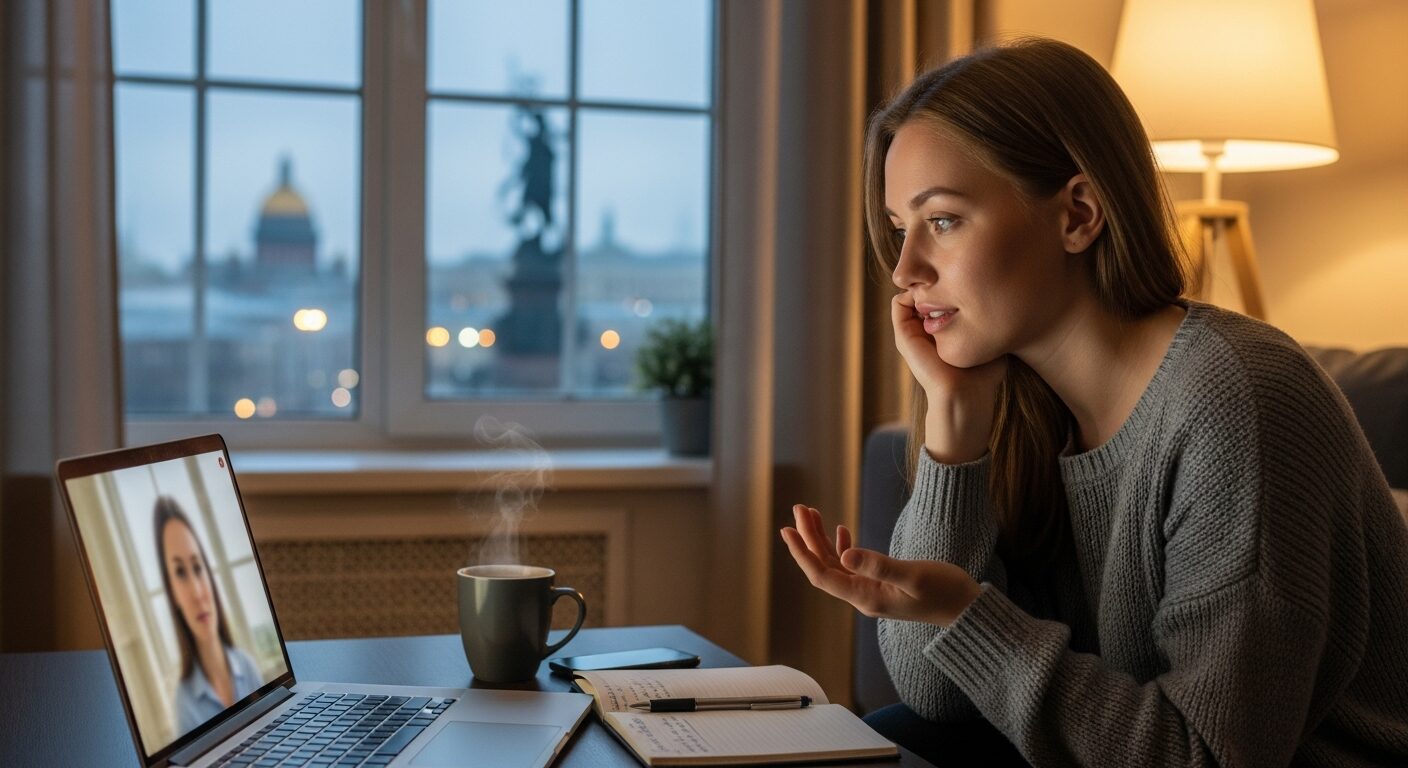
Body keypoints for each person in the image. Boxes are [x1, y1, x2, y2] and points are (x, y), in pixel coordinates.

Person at [781, 37, 1408, 767]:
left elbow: (1207, 757)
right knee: (899, 734)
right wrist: (953, 434)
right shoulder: (1020, 402)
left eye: (943, 221)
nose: (906, 271)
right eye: (899, 231)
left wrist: (964, 611)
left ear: (1078, 213)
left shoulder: (1238, 398)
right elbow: (935, 695)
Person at [154, 496, 262, 734]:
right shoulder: (184, 706)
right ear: (173, 595)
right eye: (180, 572)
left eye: (197, 567)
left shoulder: (246, 665)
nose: (197, 593)